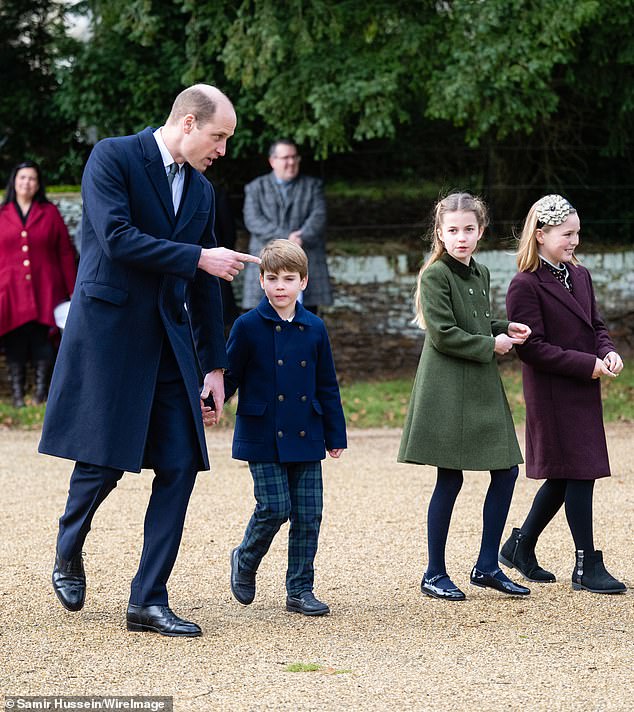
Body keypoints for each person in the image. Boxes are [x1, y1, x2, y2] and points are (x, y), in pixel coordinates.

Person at [39, 84, 260, 637]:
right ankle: (68, 549)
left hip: (170, 341)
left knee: (182, 463)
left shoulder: (204, 193)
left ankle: (148, 599)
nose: (223, 149)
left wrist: (214, 367)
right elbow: (116, 239)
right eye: (219, 136)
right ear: (188, 123)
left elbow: (209, 288)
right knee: (103, 463)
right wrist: (197, 256)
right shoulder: (111, 156)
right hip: (110, 333)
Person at [398, 191, 532, 601]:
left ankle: (487, 565)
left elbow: (476, 320)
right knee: (450, 478)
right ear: (439, 232)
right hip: (447, 384)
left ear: (481, 231)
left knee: (506, 470)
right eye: (452, 230)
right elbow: (443, 333)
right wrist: (491, 344)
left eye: (469, 229)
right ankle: (434, 573)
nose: (461, 237)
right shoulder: (435, 274)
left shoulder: (481, 272)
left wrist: (506, 327)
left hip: (479, 382)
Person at [499, 194, 626, 594]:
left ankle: (519, 546)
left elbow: (596, 324)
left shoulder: (580, 275)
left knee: (564, 474)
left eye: (577, 233)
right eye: (567, 233)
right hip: (553, 393)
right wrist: (584, 364)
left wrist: (606, 350)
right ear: (540, 235)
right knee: (580, 472)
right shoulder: (524, 284)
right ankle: (587, 565)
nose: (575, 241)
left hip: (582, 389)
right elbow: (531, 348)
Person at [220, 239, 346, 616]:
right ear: (260, 281)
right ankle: (244, 558)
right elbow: (230, 376)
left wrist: (335, 435)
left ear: (303, 282)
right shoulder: (246, 326)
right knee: (275, 507)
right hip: (262, 432)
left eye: (288, 279)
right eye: (272, 278)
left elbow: (327, 383)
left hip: (307, 430)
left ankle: (300, 589)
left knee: (308, 514)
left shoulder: (314, 328)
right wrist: (212, 402)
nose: (280, 286)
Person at [0, 161, 77, 407]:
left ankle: (42, 395)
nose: (27, 183)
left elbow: (65, 253)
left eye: (32, 178)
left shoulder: (50, 213)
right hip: (9, 290)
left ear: (38, 183)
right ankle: (17, 397)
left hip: (46, 289)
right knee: (15, 341)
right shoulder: (2, 214)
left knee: (44, 341)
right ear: (14, 181)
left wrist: (73, 291)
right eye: (22, 178)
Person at [241, 139, 332, 314]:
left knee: (306, 324)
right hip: (266, 264)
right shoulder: (255, 188)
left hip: (306, 263)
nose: (291, 162)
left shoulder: (313, 186)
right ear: (272, 161)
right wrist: (288, 239)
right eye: (285, 158)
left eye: (294, 157)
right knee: (263, 328)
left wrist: (302, 236)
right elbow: (253, 220)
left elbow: (318, 217)